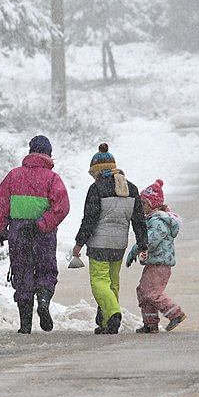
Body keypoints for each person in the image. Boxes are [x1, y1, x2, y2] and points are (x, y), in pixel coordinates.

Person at [0, 135, 70, 333]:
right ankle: (43, 301)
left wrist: (1, 229)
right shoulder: (53, 179)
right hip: (44, 234)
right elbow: (62, 207)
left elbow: (0, 205)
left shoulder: (13, 176)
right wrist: (42, 224)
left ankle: (25, 325)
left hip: (19, 233)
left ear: (30, 151)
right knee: (46, 270)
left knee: (22, 274)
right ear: (49, 154)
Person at [72, 143, 147, 334]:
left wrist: (79, 243)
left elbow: (89, 219)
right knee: (113, 282)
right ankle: (106, 323)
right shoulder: (131, 188)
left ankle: (113, 313)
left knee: (99, 281)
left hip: (99, 244)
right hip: (119, 245)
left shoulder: (96, 188)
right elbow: (139, 220)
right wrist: (142, 243)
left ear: (98, 171)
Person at [128, 179, 186, 333]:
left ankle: (175, 313)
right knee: (143, 291)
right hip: (154, 262)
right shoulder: (153, 220)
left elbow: (151, 241)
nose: (142, 207)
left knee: (151, 292)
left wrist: (136, 249)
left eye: (144, 204)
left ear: (153, 204)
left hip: (160, 264)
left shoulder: (158, 221)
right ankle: (150, 322)